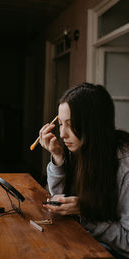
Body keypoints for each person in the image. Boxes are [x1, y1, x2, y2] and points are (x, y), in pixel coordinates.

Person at [39, 83, 129, 258]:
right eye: (60, 124)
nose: (63, 134)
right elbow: (61, 200)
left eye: (71, 125)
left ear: (93, 125)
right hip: (88, 242)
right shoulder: (82, 147)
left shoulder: (125, 165)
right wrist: (58, 157)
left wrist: (86, 213)